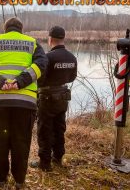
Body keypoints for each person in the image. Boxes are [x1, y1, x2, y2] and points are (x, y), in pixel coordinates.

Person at [0, 17, 48, 189]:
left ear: (5, 29)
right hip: (24, 103)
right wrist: (20, 81)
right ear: (21, 30)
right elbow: (42, 63)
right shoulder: (32, 43)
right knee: (21, 142)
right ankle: (19, 182)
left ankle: (1, 181)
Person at [30, 26, 77, 172]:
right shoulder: (72, 57)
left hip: (47, 97)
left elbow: (40, 80)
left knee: (45, 130)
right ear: (63, 38)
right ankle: (58, 157)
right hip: (63, 98)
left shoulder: (47, 57)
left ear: (50, 39)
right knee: (59, 128)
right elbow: (72, 77)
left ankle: (45, 163)